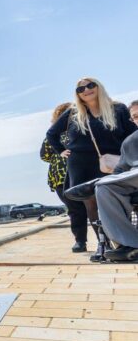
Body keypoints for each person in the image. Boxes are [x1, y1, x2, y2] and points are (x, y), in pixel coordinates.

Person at [46, 78, 136, 261]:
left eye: (90, 85)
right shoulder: (72, 113)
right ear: (77, 94)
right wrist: (61, 151)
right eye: (81, 88)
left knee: (120, 197)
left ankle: (125, 240)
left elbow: (132, 133)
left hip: (115, 161)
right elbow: (51, 134)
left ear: (98, 87)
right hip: (81, 163)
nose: (86, 90)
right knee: (91, 203)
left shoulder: (117, 109)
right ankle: (103, 243)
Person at [40, 102, 89, 252]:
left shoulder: (53, 135)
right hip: (77, 174)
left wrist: (58, 157)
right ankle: (95, 240)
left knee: (76, 209)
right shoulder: (81, 129)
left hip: (63, 176)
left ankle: (81, 241)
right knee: (84, 209)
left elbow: (44, 156)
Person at [93, 102, 138, 261]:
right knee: (104, 187)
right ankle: (131, 244)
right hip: (133, 179)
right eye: (135, 117)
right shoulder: (130, 142)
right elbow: (119, 171)